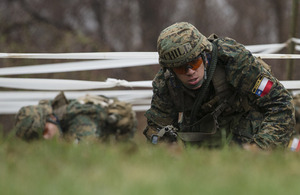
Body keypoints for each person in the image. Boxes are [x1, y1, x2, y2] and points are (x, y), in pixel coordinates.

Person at [143, 22, 295, 150]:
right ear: (170, 69)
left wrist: (260, 149)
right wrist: (171, 150)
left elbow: (280, 104)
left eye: (194, 63)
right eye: (180, 68)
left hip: (247, 135)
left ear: (204, 54)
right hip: (201, 141)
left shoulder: (236, 62)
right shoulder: (166, 82)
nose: (190, 72)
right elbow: (157, 128)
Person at [14, 92, 137, 143]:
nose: (46, 138)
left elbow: (84, 156)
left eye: (45, 131)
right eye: (38, 138)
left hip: (119, 139)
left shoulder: (80, 120)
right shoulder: (55, 113)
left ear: (51, 117)